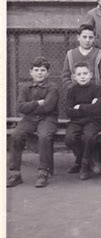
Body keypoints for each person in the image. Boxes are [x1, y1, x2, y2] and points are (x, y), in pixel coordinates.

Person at [7, 57, 59, 188]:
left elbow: (48, 107)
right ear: (31, 72)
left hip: (48, 118)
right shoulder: (25, 87)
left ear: (48, 73)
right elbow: (20, 107)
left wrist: (30, 106)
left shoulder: (53, 88)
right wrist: (37, 103)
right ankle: (15, 173)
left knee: (44, 136)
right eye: (36, 70)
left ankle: (43, 172)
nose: (39, 73)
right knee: (15, 135)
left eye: (43, 70)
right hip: (29, 119)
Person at [64, 62, 101, 180]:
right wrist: (89, 106)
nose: (82, 76)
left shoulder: (97, 89)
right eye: (79, 74)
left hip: (93, 121)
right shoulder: (71, 91)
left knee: (88, 137)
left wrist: (79, 106)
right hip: (76, 121)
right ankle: (82, 159)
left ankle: (84, 166)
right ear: (74, 77)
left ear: (91, 75)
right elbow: (68, 111)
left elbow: (97, 109)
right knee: (69, 138)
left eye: (85, 73)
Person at [61, 24, 101, 90]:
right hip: (75, 93)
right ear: (78, 37)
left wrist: (96, 90)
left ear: (94, 38)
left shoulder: (100, 54)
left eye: (90, 37)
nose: (87, 40)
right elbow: (65, 76)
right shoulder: (70, 54)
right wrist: (73, 89)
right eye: (84, 37)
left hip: (94, 92)